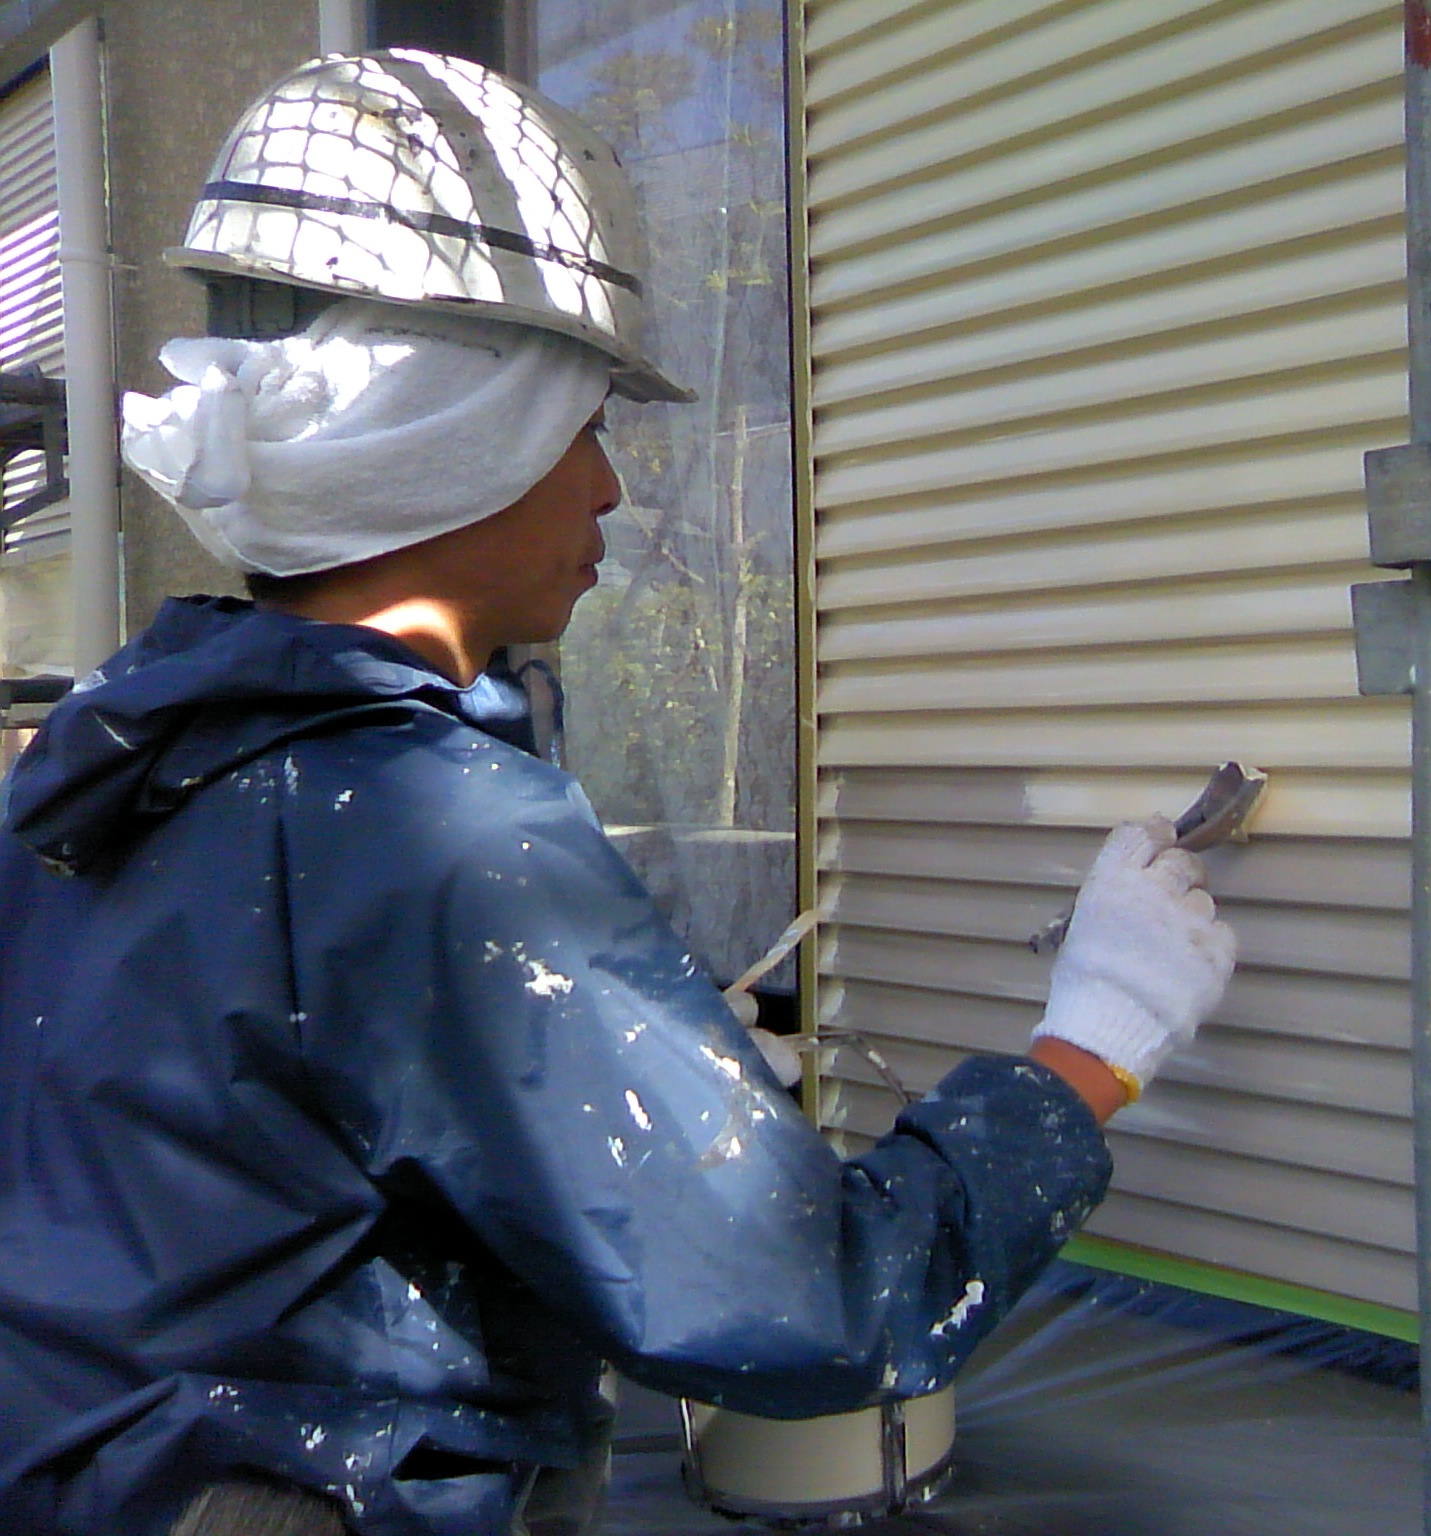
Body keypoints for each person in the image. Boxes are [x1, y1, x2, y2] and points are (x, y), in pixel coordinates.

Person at [0, 51, 1236, 1536]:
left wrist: (621, 1061)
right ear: (460, 437)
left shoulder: (136, 759)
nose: (609, 490)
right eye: (584, 426)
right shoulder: (422, 826)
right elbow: (812, 1305)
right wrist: (1099, 1040)